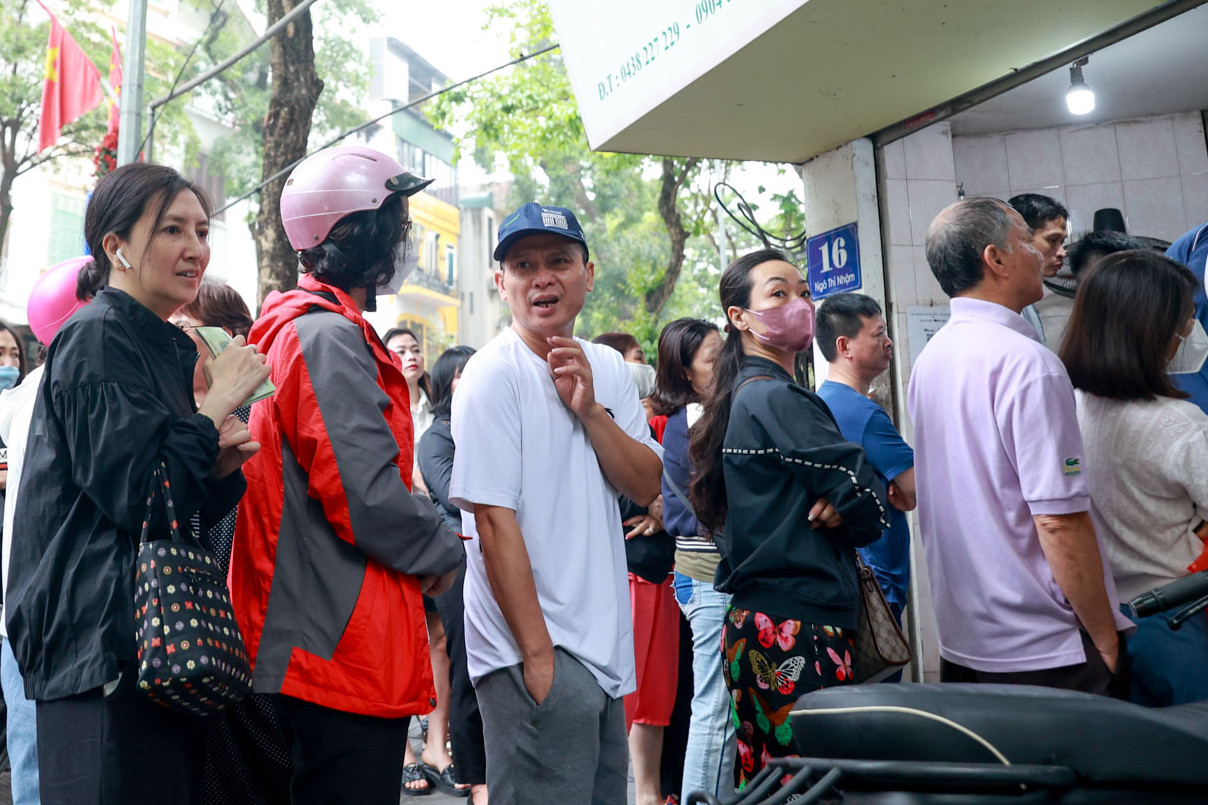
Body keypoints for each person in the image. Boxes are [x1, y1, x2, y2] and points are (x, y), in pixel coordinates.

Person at [7, 162, 270, 803]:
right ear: (116, 246)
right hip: (100, 642)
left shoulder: (168, 346)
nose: (195, 249)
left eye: (203, 231)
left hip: (159, 648)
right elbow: (137, 492)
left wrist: (218, 467)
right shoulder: (97, 334)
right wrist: (212, 411)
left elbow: (173, 504)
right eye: (172, 229)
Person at [230, 145, 464, 804]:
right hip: (331, 648)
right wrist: (442, 547)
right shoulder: (325, 337)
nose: (403, 240)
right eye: (395, 224)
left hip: (324, 640)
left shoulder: (309, 330)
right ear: (353, 234)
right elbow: (364, 491)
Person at [449, 202, 663, 804]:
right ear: (502, 284)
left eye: (559, 261)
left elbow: (647, 485)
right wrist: (537, 659)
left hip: (604, 655)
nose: (542, 278)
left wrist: (591, 411)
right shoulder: (494, 374)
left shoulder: (608, 369)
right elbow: (493, 522)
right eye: (524, 265)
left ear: (587, 274)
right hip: (534, 654)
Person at [910, 197, 1132, 697]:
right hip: (1045, 648)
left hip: (966, 640)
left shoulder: (933, 357)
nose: (1041, 252)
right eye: (1026, 240)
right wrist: (1104, 635)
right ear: (996, 259)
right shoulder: (1026, 362)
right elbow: (1057, 519)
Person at [688, 248, 890, 786]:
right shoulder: (779, 399)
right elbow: (871, 505)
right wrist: (852, 503)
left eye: (802, 291)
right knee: (812, 784)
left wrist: (843, 500)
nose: (799, 303)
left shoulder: (743, 397)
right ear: (739, 317)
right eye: (778, 293)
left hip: (757, 625)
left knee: (772, 785)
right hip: (799, 630)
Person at [1061, 250, 1208, 706]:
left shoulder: (1068, 405)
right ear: (1153, 328)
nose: (1190, 331)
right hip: (1179, 620)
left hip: (1098, 621)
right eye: (1186, 317)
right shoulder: (1179, 423)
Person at [170, 281, 293, 805]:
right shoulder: (172, 413)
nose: (173, 339)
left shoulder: (257, 420)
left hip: (246, 632)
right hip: (181, 637)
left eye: (184, 327)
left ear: (231, 340)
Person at [0, 257, 92, 805]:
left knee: (37, 758)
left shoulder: (30, 388)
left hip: (30, 609)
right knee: (42, 761)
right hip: (45, 609)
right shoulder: (51, 386)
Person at [649, 317, 733, 804]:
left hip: (698, 572)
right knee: (714, 703)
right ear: (684, 372)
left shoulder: (692, 417)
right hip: (707, 574)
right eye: (711, 356)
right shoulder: (702, 419)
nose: (723, 360)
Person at [592, 330, 675, 805]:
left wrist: (664, 502)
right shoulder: (600, 424)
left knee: (656, 694)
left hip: (658, 572)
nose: (640, 372)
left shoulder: (657, 427)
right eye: (631, 362)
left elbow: (671, 490)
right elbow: (628, 491)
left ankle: (649, 793)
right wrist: (654, 499)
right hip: (628, 572)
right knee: (628, 693)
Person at [816, 293, 915, 642]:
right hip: (876, 592)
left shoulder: (820, 401)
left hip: (843, 582)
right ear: (844, 345)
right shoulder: (862, 414)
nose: (888, 342)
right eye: (878, 334)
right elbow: (914, 488)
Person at [382, 324, 453, 796]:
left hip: (435, 532)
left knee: (439, 639)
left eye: (414, 348)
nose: (409, 355)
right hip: (396, 531)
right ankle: (404, 751)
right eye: (399, 349)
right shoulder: (381, 402)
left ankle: (437, 741)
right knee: (396, 641)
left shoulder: (437, 407)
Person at [416, 346, 482, 802]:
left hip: (493, 554)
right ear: (445, 384)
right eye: (464, 374)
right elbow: (457, 494)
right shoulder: (437, 438)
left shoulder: (486, 430)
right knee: (463, 660)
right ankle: (471, 770)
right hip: (457, 558)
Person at [1009, 193, 1069, 346]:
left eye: (1062, 242)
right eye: (1052, 240)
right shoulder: (1002, 304)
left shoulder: (1026, 301)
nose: (1063, 252)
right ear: (1018, 238)